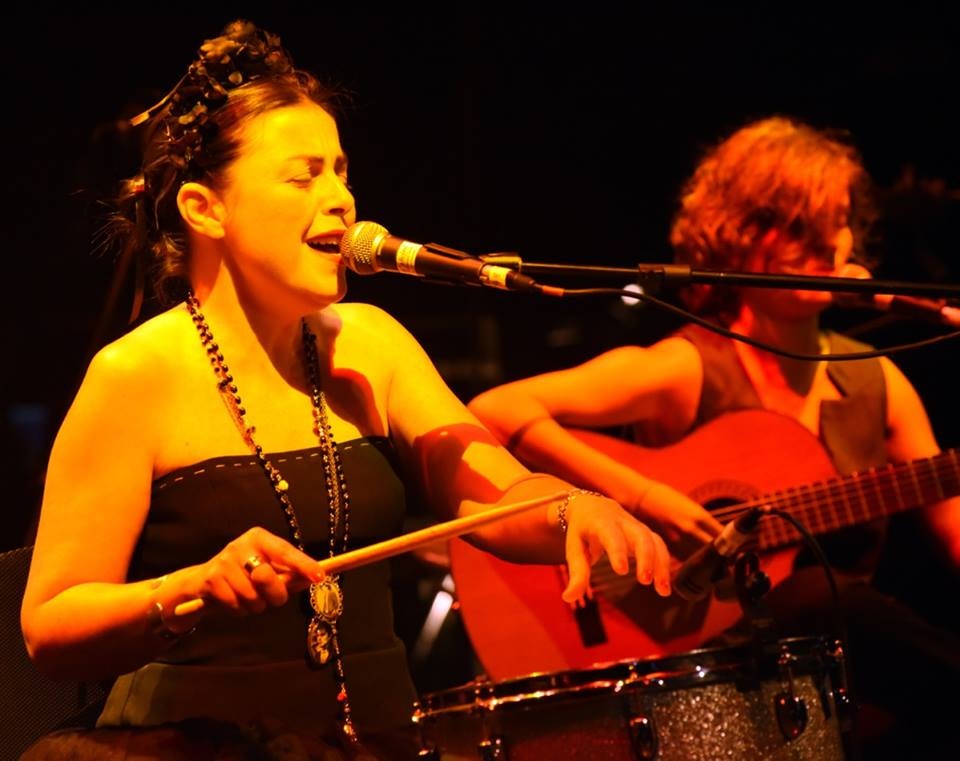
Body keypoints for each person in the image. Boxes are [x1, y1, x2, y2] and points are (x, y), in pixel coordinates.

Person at [18, 20, 672, 761]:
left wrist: (572, 507)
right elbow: (50, 625)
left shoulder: (370, 341)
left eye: (341, 171)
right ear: (205, 209)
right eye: (304, 176)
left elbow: (499, 494)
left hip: (374, 741)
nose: (341, 199)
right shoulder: (133, 375)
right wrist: (190, 587)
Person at [468, 116, 960, 759]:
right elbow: (496, 408)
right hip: (706, 671)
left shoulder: (877, 381)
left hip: (851, 681)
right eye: (795, 223)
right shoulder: (689, 366)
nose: (823, 241)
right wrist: (643, 496)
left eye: (835, 220)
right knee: (808, 595)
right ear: (736, 232)